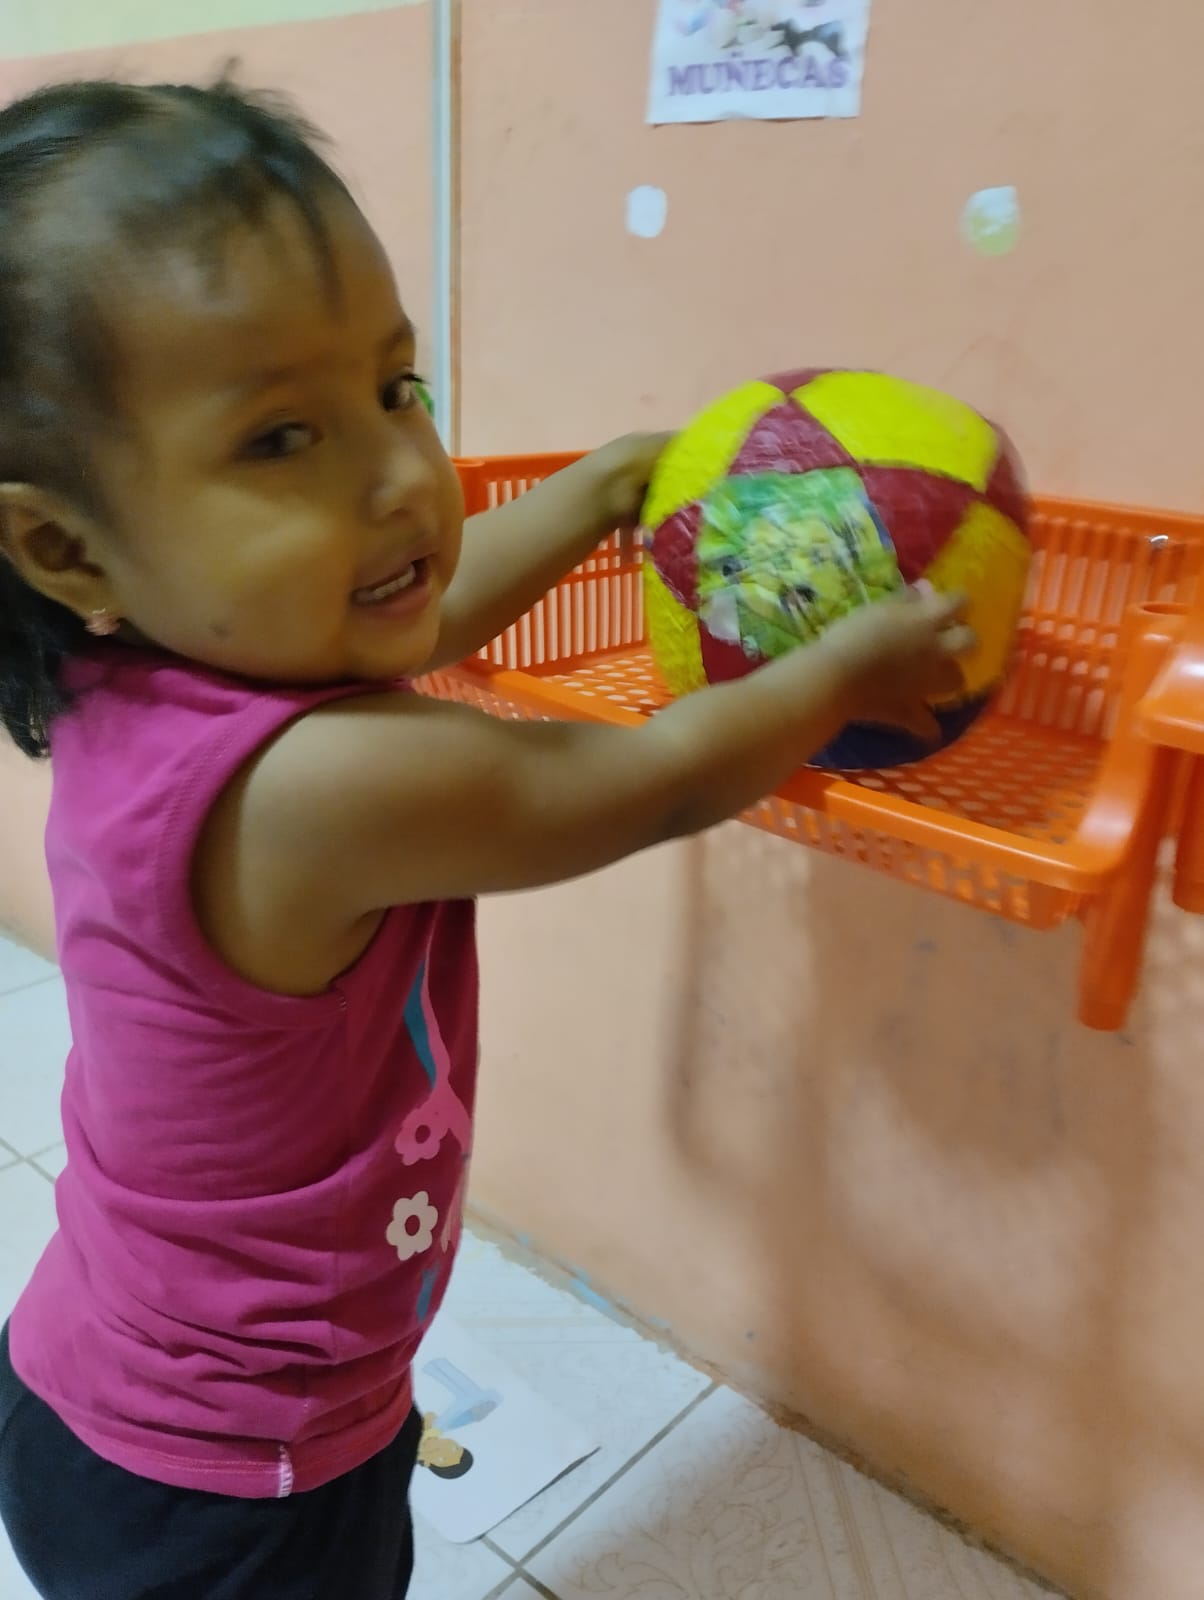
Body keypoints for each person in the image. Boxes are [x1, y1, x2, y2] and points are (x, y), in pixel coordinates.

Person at [0, 76, 971, 1600]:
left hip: (118, 1382)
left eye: (399, 389)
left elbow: (422, 611)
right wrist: (840, 677)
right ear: (66, 546)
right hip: (233, 1482)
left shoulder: (148, 670)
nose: (402, 478)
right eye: (281, 438)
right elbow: (643, 783)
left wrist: (602, 491)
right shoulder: (311, 791)